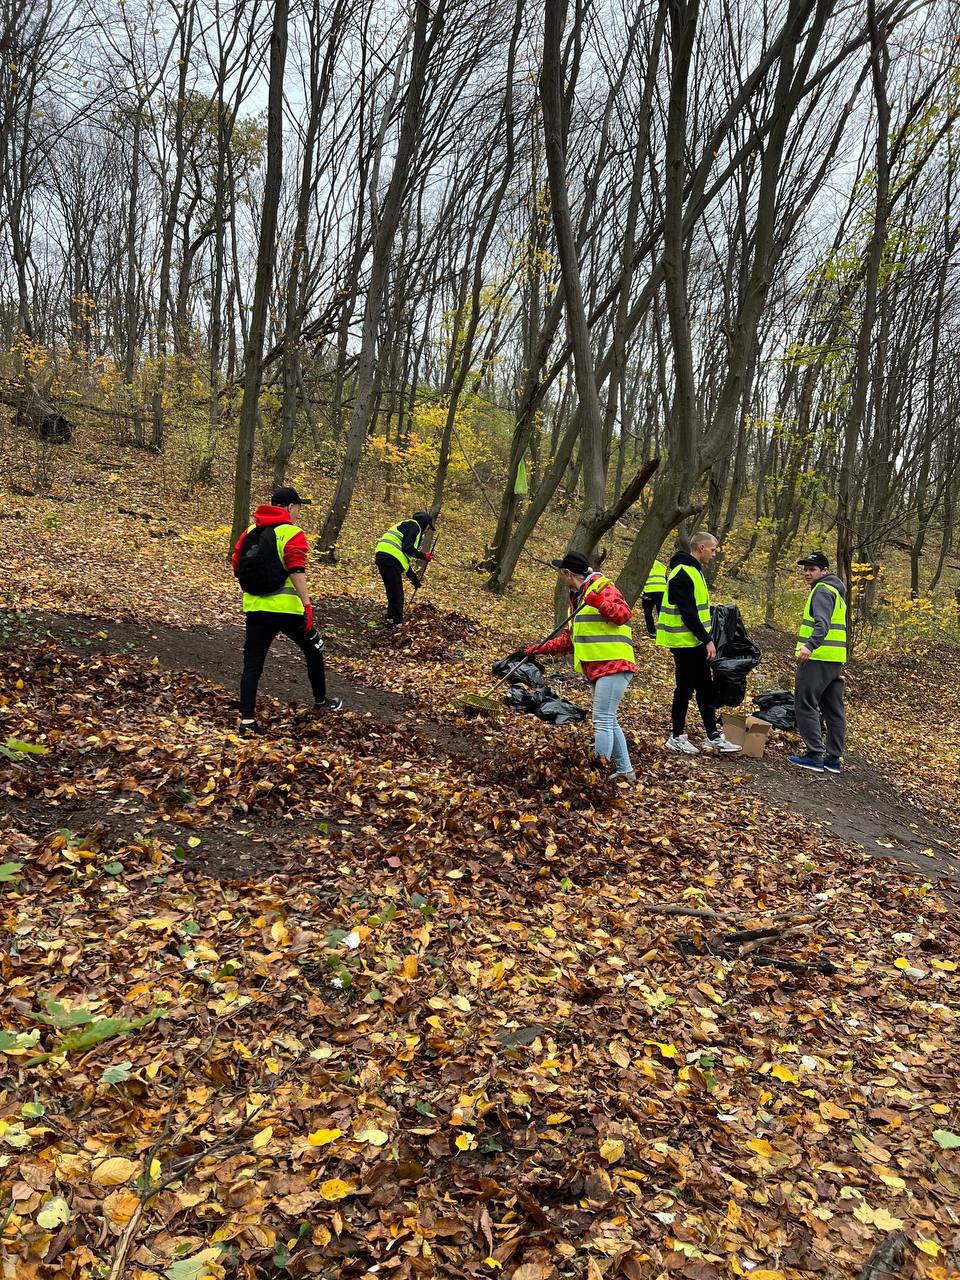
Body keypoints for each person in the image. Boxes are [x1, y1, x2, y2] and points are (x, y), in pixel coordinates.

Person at [232, 486, 342, 736]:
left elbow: (237, 565)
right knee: (314, 648)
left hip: (256, 608)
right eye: (298, 508)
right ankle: (321, 702)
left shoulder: (249, 532)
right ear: (291, 507)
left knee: (252, 663)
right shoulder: (292, 533)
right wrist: (307, 604)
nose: (299, 513)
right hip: (287, 611)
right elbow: (296, 570)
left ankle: (247, 720)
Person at [526, 551, 637, 783]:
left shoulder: (601, 588)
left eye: (560, 573)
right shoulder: (577, 598)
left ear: (568, 573)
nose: (560, 578)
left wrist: (600, 603)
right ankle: (626, 770)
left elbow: (624, 614)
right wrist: (541, 648)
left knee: (603, 720)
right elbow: (568, 640)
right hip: (598, 667)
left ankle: (596, 776)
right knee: (609, 719)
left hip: (615, 663)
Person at [656, 531, 741, 755]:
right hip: (686, 642)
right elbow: (687, 612)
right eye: (712, 549)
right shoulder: (683, 572)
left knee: (704, 687)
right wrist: (707, 640)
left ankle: (712, 735)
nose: (715, 554)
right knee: (684, 689)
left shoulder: (695, 571)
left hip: (694, 641)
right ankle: (676, 736)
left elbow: (698, 609)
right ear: (700, 548)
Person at [788, 551, 847, 774]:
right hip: (834, 660)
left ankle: (814, 755)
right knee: (833, 710)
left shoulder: (822, 591)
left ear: (824, 571)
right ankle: (833, 759)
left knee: (805, 703)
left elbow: (822, 625)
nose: (807, 573)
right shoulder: (835, 591)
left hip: (817, 658)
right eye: (805, 569)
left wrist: (809, 646)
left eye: (812, 569)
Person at [374, 509, 437, 626]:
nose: (427, 531)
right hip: (390, 558)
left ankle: (390, 620)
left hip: (383, 557)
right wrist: (424, 556)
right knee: (397, 594)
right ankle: (398, 623)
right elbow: (407, 547)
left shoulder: (407, 526)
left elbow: (404, 562)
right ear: (425, 523)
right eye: (428, 527)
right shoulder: (415, 526)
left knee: (392, 591)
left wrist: (415, 580)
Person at [641, 556, 668, 637]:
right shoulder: (662, 566)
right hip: (661, 591)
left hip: (649, 591)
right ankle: (663, 632)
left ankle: (652, 632)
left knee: (648, 612)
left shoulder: (644, 565)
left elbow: (641, 579)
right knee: (661, 612)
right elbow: (665, 579)